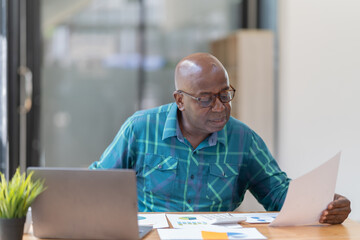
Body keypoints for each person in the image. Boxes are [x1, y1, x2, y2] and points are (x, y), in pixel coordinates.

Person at [89, 52, 351, 224]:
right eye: (206, 99)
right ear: (180, 100)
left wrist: (325, 204)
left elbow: (278, 194)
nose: (220, 107)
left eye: (225, 95)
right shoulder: (141, 128)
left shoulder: (243, 139)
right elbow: (96, 185)